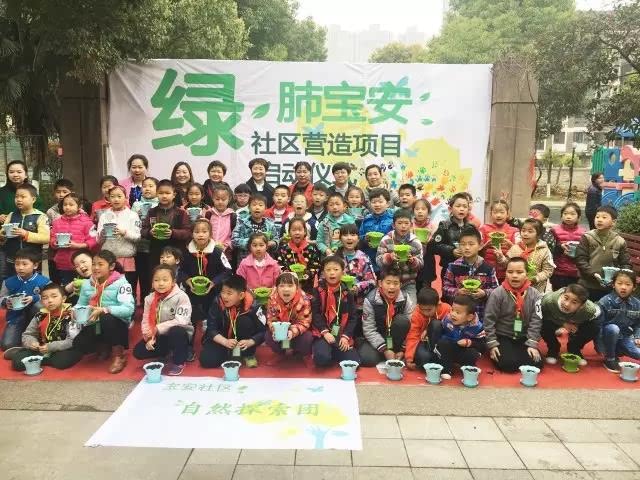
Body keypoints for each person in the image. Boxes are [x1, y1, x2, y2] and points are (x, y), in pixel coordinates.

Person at [72, 250, 135, 374]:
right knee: (79, 344)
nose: (96, 268)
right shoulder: (87, 284)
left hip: (116, 323)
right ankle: (104, 346)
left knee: (107, 318)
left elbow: (128, 309)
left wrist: (105, 309)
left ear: (111, 266)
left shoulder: (122, 283)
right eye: (94, 264)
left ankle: (119, 356)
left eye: (100, 264)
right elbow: (81, 304)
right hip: (94, 322)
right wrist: (75, 310)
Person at [484, 257, 544, 373]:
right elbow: (489, 320)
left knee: (537, 363)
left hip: (523, 336)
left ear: (527, 274)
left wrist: (532, 344)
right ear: (505, 273)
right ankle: (507, 353)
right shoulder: (497, 293)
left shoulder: (535, 294)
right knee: (508, 365)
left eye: (519, 272)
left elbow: (536, 320)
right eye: (510, 272)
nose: (514, 276)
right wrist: (492, 344)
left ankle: (516, 353)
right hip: (502, 335)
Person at [133, 265, 193, 376]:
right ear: (152, 282)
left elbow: (182, 320)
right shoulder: (149, 298)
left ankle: (179, 361)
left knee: (177, 331)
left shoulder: (181, 296)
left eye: (165, 280)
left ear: (173, 282)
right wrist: (148, 337)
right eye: (156, 280)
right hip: (159, 335)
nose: (160, 283)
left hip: (179, 334)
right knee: (138, 351)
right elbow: (145, 320)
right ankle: (166, 353)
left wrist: (157, 328)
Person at [9, 283, 82, 371]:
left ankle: (38, 360)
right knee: (17, 362)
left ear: (63, 299)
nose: (50, 300)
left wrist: (51, 347)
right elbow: (28, 334)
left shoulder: (71, 314)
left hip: (64, 348)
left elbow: (72, 340)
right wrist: (32, 343)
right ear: (42, 301)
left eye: (54, 296)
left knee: (62, 361)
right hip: (42, 348)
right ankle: (43, 358)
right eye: (45, 298)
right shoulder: (40, 315)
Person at [200, 275, 265, 368]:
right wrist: (225, 342)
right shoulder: (217, 302)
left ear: (241, 295)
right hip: (222, 338)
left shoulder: (254, 305)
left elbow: (263, 331)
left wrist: (250, 342)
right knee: (207, 361)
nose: (224, 296)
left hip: (244, 341)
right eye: (223, 292)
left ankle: (248, 354)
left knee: (245, 321)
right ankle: (229, 352)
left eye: (229, 293)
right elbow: (211, 329)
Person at [358, 268, 414, 367]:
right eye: (388, 283)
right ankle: (386, 352)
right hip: (378, 335)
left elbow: (412, 327)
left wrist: (403, 349)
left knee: (402, 321)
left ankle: (396, 352)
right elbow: (369, 329)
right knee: (367, 359)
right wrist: (385, 349)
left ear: (400, 285)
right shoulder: (370, 300)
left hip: (396, 336)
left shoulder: (405, 298)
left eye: (395, 283)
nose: (392, 287)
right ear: (380, 283)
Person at [311, 256, 360, 367]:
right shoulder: (318, 290)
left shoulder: (348, 293)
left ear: (342, 272)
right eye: (328, 270)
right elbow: (315, 313)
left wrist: (345, 336)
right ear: (323, 273)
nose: (332, 273)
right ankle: (324, 349)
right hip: (323, 333)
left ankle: (333, 349)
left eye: (336, 269)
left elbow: (353, 318)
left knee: (354, 362)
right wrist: (325, 332)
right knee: (321, 359)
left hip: (341, 333)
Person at [575, 206, 631, 302]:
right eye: (597, 217)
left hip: (609, 286)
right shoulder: (587, 237)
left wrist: (618, 278)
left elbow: (626, 263)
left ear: (613, 222)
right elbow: (580, 259)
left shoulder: (619, 241)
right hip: (587, 283)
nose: (599, 220)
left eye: (604, 217)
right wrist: (593, 274)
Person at [442, 225, 498, 321]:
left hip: (481, 315)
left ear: (480, 246)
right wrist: (458, 291)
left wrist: (484, 293)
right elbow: (445, 288)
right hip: (459, 317)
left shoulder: (488, 267)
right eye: (463, 244)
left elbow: (496, 290)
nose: (467, 248)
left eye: (471, 244)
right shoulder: (453, 266)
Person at [0, 249, 50, 354]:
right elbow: (1, 298)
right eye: (17, 264)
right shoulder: (8, 282)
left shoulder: (44, 281)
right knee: (7, 345)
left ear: (35, 265)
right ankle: (24, 337)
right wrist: (5, 302)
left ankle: (36, 332)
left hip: (36, 318)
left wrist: (34, 298)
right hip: (15, 317)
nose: (20, 267)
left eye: (24, 264)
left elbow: (51, 297)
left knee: (39, 305)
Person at [96, 185, 140, 298]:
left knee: (128, 290)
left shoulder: (132, 215)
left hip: (126, 258)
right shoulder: (104, 215)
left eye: (119, 196)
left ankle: (129, 309)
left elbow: (137, 237)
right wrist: (103, 233)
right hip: (108, 259)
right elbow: (98, 241)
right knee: (108, 290)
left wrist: (124, 232)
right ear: (108, 198)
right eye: (112, 196)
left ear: (125, 198)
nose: (116, 199)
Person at [541, 284, 600, 366]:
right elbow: (542, 316)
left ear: (581, 306)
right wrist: (563, 323)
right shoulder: (548, 301)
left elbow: (595, 320)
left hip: (575, 321)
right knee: (542, 324)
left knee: (594, 327)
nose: (567, 304)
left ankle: (574, 348)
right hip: (553, 319)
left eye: (574, 302)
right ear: (562, 295)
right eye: (566, 298)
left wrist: (577, 325)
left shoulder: (589, 310)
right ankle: (553, 348)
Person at [0, 183, 50, 278]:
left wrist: (26, 234)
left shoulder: (41, 216)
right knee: (12, 283)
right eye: (16, 197)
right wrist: (3, 234)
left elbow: (45, 238)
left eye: (23, 197)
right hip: (12, 260)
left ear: (33, 199)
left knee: (32, 284)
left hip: (32, 262)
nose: (19, 199)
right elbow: (2, 233)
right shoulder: (11, 215)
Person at [376, 209, 424, 304]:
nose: (403, 226)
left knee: (410, 308)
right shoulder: (386, 240)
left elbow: (421, 264)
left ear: (411, 225)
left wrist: (413, 261)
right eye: (400, 223)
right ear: (393, 225)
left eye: (406, 223)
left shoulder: (415, 242)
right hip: (389, 282)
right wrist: (389, 257)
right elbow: (378, 261)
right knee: (385, 307)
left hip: (408, 282)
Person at [141, 179, 191, 268]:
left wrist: (173, 233)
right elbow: (143, 230)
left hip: (176, 252)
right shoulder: (152, 212)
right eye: (161, 193)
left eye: (167, 193)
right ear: (156, 194)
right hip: (156, 252)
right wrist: (150, 232)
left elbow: (187, 232)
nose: (164, 196)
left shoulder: (181, 213)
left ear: (174, 195)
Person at [434, 294, 486, 380]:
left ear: (469, 317)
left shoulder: (477, 327)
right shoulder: (447, 319)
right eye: (452, 310)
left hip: (463, 351)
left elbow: (482, 346)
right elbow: (440, 331)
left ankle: (467, 368)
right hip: (448, 348)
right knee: (443, 343)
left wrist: (469, 343)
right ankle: (446, 369)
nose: (453, 314)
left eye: (458, 312)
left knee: (473, 354)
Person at [598, 269, 640, 373]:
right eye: (619, 283)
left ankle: (617, 351)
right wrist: (600, 347)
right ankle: (610, 358)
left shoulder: (637, 304)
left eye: (628, 284)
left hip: (624, 337)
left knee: (637, 353)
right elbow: (598, 326)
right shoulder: (605, 301)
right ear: (613, 285)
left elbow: (638, 324)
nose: (623, 287)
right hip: (606, 337)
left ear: (634, 287)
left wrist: (637, 336)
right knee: (613, 328)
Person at [50, 192, 97, 285]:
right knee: (66, 288)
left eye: (71, 205)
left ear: (79, 206)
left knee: (83, 287)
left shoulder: (87, 222)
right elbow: (52, 239)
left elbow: (94, 240)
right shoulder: (56, 222)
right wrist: (55, 243)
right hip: (62, 263)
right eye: (65, 205)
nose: (67, 207)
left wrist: (78, 245)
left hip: (82, 264)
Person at [265, 272, 313, 357]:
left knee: (307, 338)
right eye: (282, 286)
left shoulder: (304, 300)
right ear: (277, 288)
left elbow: (305, 322)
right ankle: (281, 352)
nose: (286, 289)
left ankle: (300, 353)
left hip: (297, 331)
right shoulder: (272, 299)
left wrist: (292, 332)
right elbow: (271, 319)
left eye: (290, 286)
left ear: (297, 287)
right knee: (268, 337)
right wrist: (274, 330)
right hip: (281, 329)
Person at [501, 218, 555, 293]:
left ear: (538, 234)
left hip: (535, 290)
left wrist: (535, 278)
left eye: (530, 231)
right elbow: (506, 265)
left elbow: (548, 271)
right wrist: (501, 258)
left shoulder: (545, 251)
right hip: (513, 289)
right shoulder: (515, 248)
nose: (525, 234)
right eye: (523, 231)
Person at [404, 286, 450, 370]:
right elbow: (412, 336)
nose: (425, 313)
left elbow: (452, 328)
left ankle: (439, 358)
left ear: (437, 305)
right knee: (424, 359)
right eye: (422, 309)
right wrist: (409, 358)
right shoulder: (416, 314)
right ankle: (434, 359)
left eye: (429, 310)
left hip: (441, 342)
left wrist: (428, 330)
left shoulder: (446, 309)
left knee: (436, 324)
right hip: (423, 343)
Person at [335, 224, 377, 313]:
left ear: (358, 239)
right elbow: (323, 279)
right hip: (337, 305)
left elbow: (372, 281)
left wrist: (357, 287)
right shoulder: (334, 258)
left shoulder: (364, 258)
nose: (349, 238)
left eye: (353, 235)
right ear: (340, 239)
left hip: (358, 306)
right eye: (345, 235)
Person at [432, 192, 472, 280]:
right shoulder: (444, 226)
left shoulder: (470, 228)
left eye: (465, 207)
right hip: (448, 268)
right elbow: (434, 246)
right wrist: (451, 250)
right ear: (450, 209)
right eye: (458, 206)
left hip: (467, 269)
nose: (462, 209)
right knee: (448, 288)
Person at [131, 176, 159, 300]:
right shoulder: (136, 204)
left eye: (151, 186)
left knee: (152, 273)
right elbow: (132, 222)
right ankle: (143, 299)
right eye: (144, 186)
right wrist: (136, 216)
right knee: (141, 274)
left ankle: (153, 299)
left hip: (154, 244)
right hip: (139, 245)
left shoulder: (159, 204)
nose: (147, 189)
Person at [276, 219, 321, 292]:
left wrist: (306, 275)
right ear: (289, 232)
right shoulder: (284, 249)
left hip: (308, 285)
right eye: (294, 230)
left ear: (305, 232)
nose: (297, 232)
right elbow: (280, 265)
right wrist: (290, 275)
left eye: (300, 230)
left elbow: (316, 265)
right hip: (289, 284)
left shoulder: (311, 248)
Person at [231, 193, 279, 263]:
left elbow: (276, 239)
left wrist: (272, 243)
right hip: (246, 261)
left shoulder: (270, 224)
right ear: (249, 208)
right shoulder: (242, 222)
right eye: (254, 205)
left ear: (265, 208)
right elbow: (234, 240)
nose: (257, 207)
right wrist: (252, 243)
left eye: (260, 205)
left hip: (265, 262)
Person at [479, 200, 518, 283]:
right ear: (491, 214)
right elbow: (477, 251)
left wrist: (511, 246)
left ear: (508, 214)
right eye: (495, 212)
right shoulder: (483, 229)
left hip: (507, 273)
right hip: (487, 271)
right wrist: (485, 246)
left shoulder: (514, 231)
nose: (498, 215)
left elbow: (520, 254)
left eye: (502, 212)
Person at [551, 202, 586, 290]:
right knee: (558, 295)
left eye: (572, 214)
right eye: (565, 213)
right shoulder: (554, 230)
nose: (568, 216)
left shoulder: (584, 233)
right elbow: (549, 249)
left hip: (576, 272)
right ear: (561, 216)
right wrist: (560, 247)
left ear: (579, 217)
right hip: (558, 272)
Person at [359, 188, 394, 272]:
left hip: (387, 260)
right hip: (369, 259)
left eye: (380, 202)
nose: (377, 205)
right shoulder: (367, 219)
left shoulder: (393, 219)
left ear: (388, 203)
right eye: (374, 202)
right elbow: (360, 236)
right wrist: (365, 238)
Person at [412, 199, 437, 291]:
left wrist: (431, 238)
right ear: (413, 211)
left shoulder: (433, 226)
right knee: (414, 288)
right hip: (413, 261)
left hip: (427, 261)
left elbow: (436, 247)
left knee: (426, 289)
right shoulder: (410, 225)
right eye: (417, 209)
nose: (420, 211)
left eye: (423, 209)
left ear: (428, 211)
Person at [209, 184, 237, 262]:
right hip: (209, 251)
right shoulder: (208, 214)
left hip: (227, 253)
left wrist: (227, 245)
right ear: (213, 198)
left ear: (229, 199)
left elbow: (235, 235)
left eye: (223, 199)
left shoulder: (233, 216)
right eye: (217, 199)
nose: (220, 202)